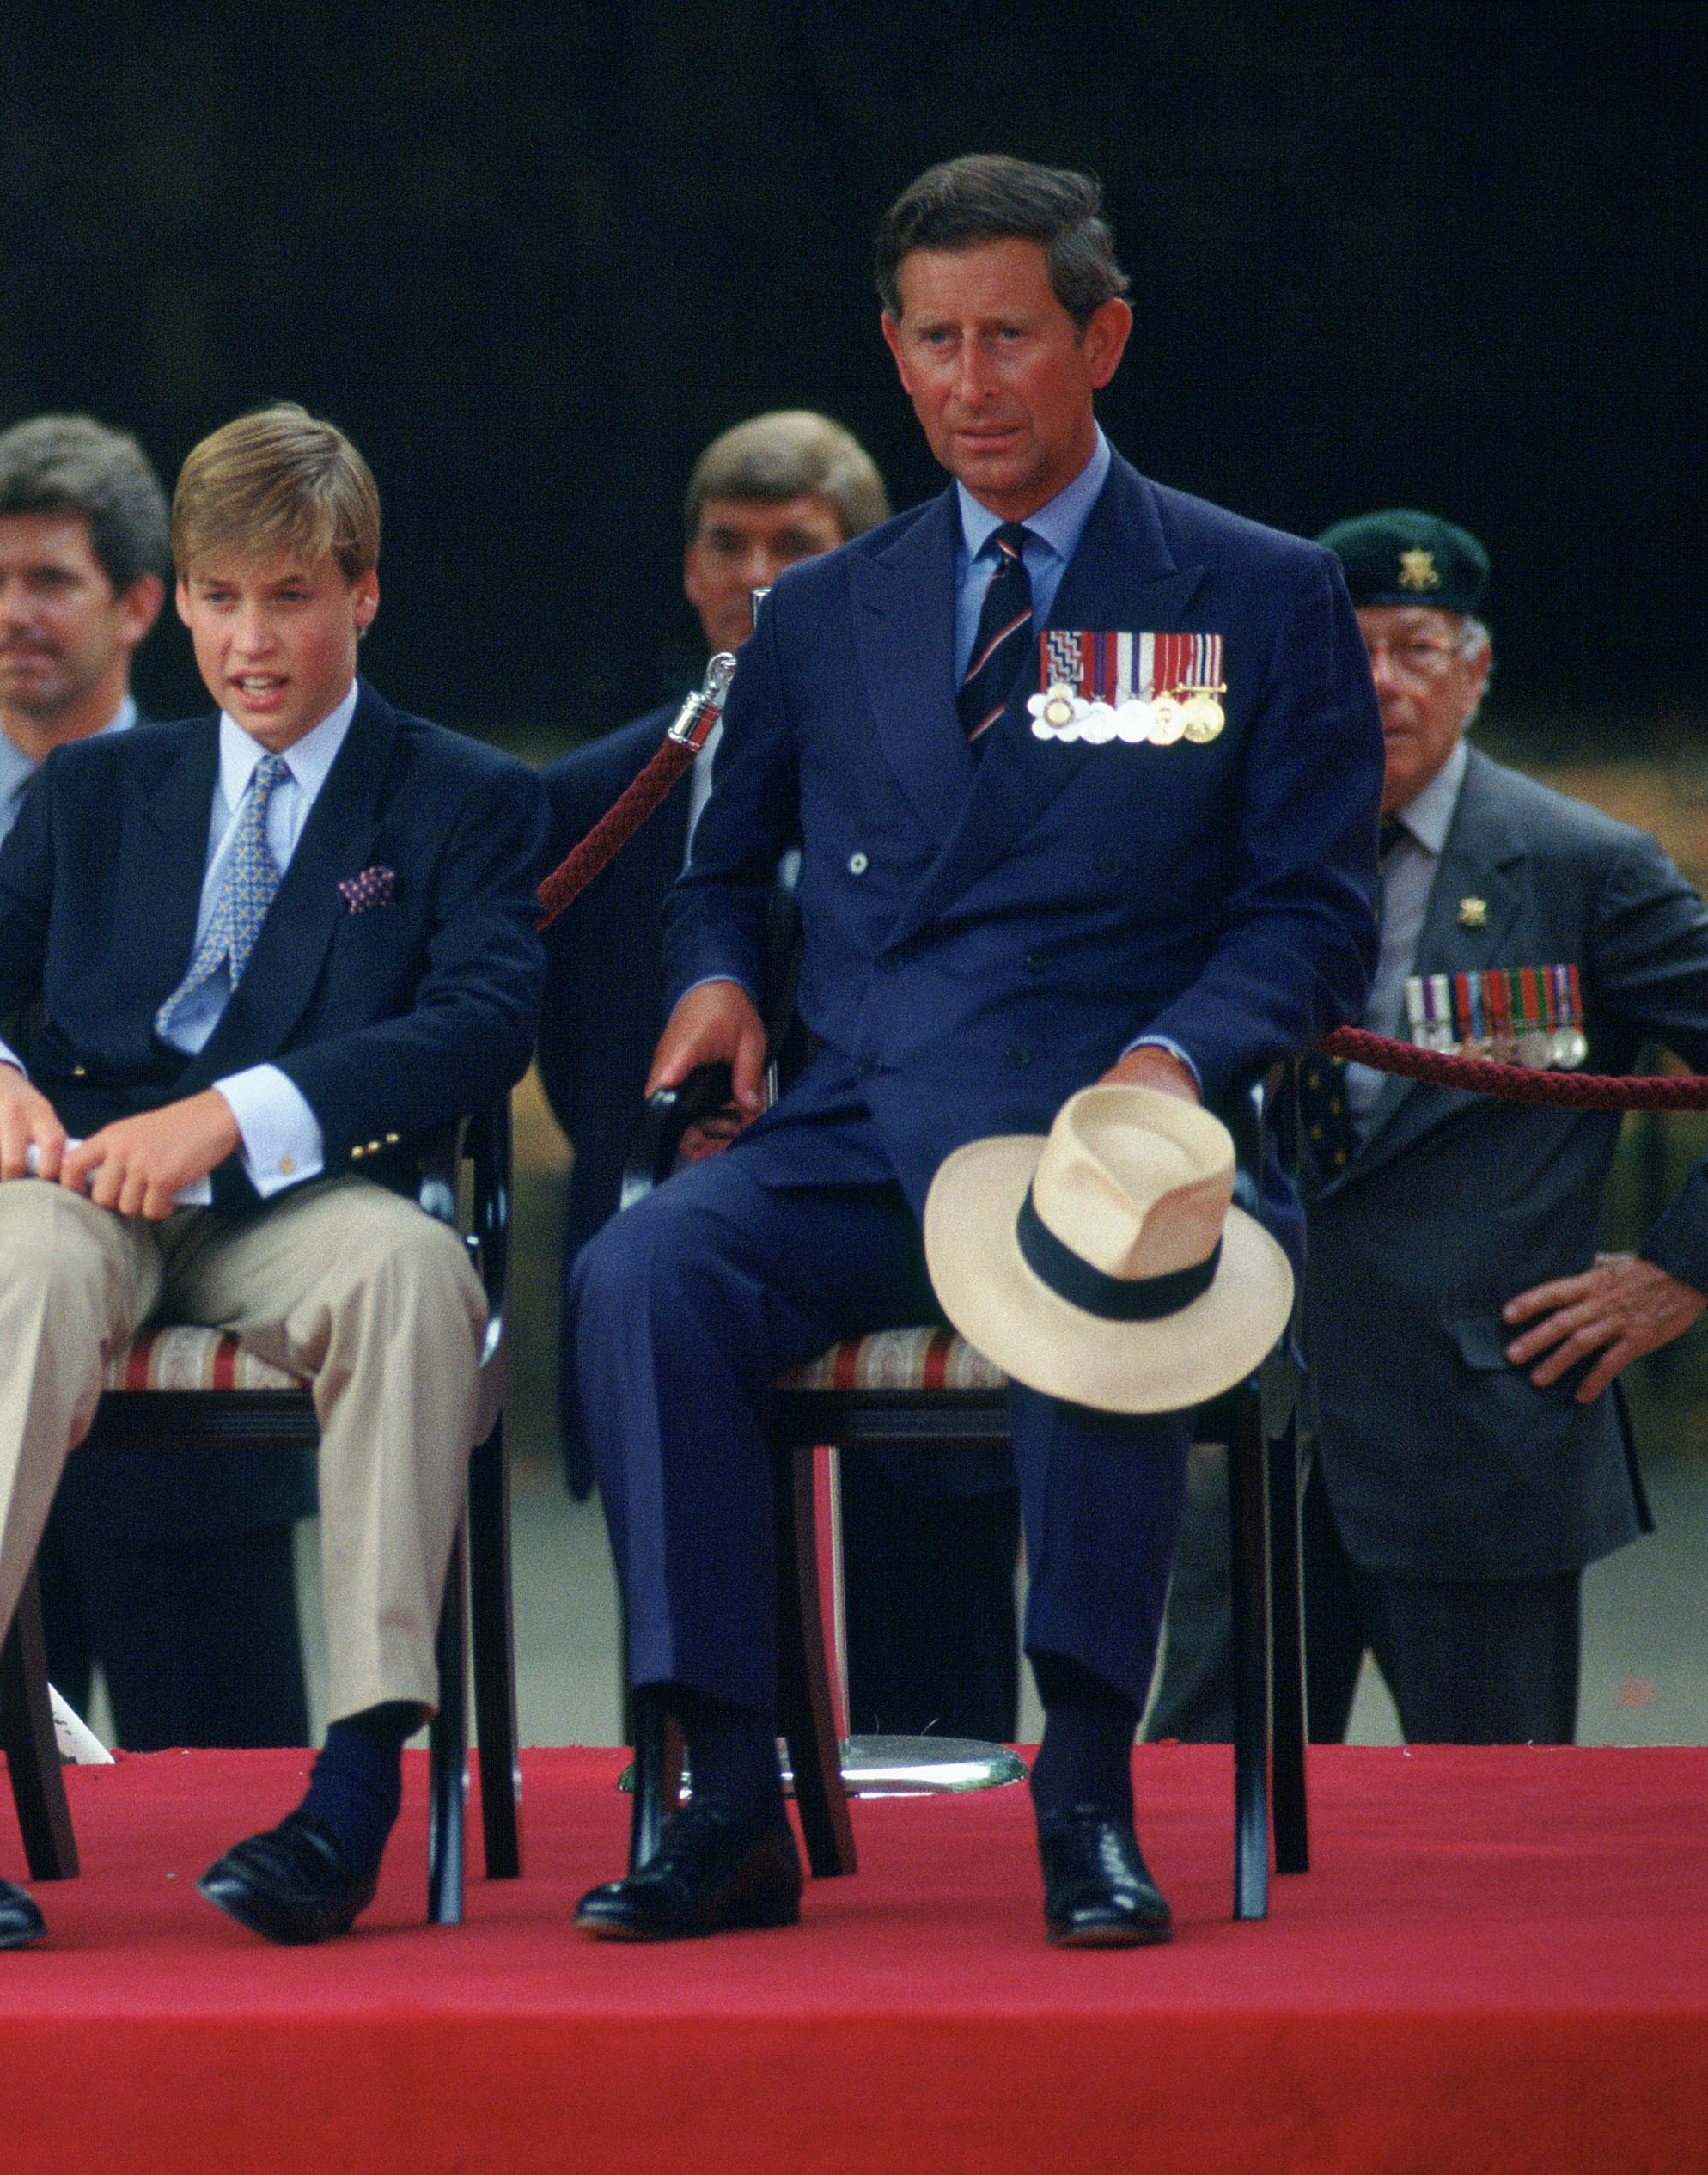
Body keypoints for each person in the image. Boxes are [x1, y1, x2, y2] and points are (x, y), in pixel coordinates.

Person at [569, 156, 1379, 1948]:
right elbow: (717, 870)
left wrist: (1174, 1064)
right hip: (861, 1125)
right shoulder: (817, 611)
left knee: (1086, 1255)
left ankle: (1081, 1792)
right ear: (890, 349)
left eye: (1007, 335)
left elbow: (1310, 917)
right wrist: (708, 982)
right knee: (642, 1272)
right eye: (931, 341)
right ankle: (720, 1794)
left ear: (1100, 338)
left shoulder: (1256, 591)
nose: (967, 381)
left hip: (1110, 1129)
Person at [0, 404, 543, 1949]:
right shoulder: (99, 788)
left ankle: (350, 1797)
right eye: (220, 598)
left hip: (303, 1197)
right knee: (11, 1266)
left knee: (419, 1275)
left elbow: (482, 1024)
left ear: (363, 593)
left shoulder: (460, 796)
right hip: (79, 1184)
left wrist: (232, 1115)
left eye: (288, 597)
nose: (249, 639)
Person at [1149, 512, 1708, 1748]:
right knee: (1198, 1821)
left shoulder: (1580, 868)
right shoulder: (1222, 858)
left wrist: (1674, 1273)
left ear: (1476, 668)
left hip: (1479, 1441)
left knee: (1486, 1850)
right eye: (1349, 652)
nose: (1383, 685)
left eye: (1416, 647)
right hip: (1245, 1426)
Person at [0, 414, 313, 1752]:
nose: (11, 614)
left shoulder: (260, 809)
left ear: (141, 602)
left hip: (194, 1415)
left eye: (50, 580)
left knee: (222, 1794)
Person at [543, 416, 1019, 1741]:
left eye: (793, 548)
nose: (755, 580)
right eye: (727, 546)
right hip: (682, 1278)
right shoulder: (594, 797)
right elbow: (573, 1058)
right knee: (693, 1710)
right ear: (686, 565)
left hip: (912, 1264)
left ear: (862, 561)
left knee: (940, 1722)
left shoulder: (959, 761)